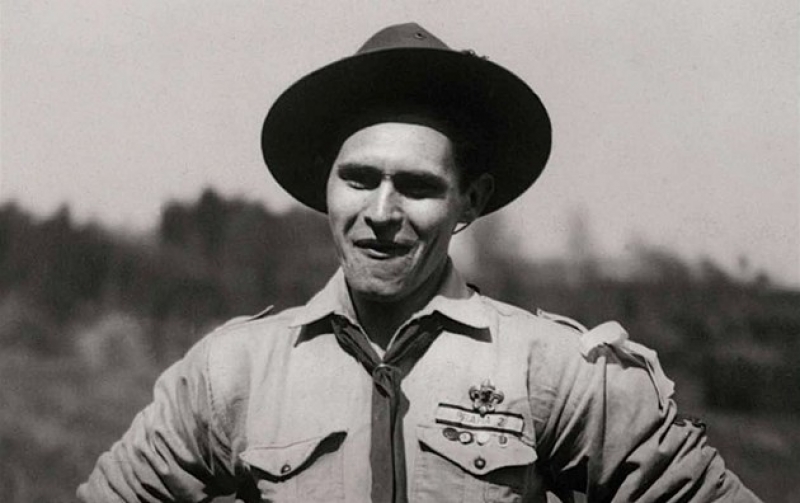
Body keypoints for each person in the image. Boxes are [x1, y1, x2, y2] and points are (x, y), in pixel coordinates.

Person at [79, 23, 761, 503]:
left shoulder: (555, 370)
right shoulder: (234, 371)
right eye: (359, 178)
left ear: (469, 201)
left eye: (418, 186)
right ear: (326, 187)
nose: (381, 211)